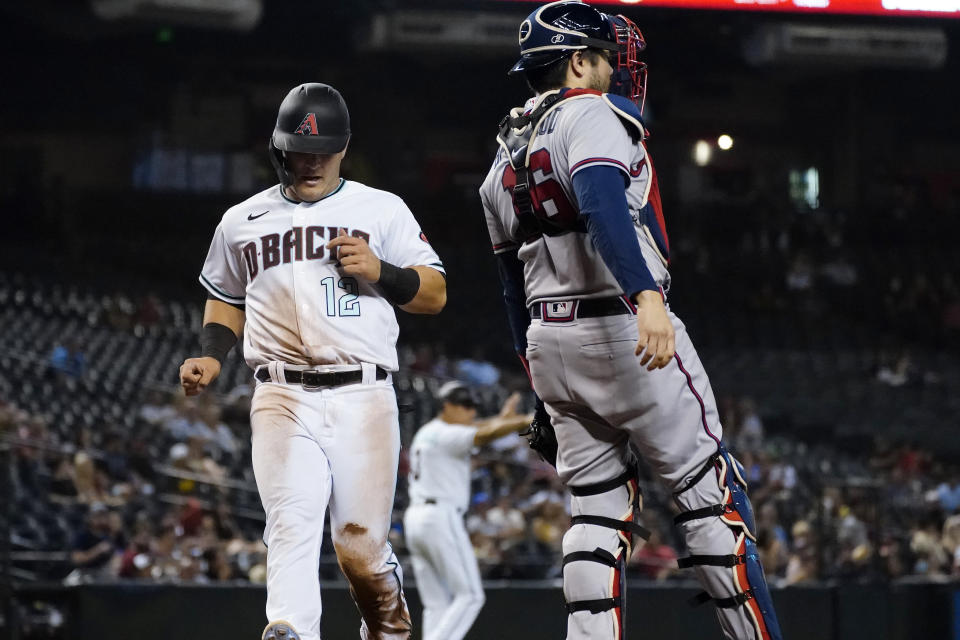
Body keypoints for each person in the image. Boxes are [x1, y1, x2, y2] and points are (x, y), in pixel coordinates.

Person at [477, 3, 783, 639]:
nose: (614, 73)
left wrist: (534, 377)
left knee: (595, 515)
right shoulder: (588, 112)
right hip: (619, 323)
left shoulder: (501, 156)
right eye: (605, 60)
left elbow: (510, 285)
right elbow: (600, 202)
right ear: (577, 62)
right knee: (708, 494)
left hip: (549, 340)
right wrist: (645, 296)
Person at [179, 82, 446, 640]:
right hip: (280, 393)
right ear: (280, 150)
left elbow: (436, 294)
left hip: (363, 394)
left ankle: (388, 624)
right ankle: (290, 629)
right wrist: (211, 356)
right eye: (301, 152)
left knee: (359, 545)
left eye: (323, 151)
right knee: (290, 520)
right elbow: (224, 298)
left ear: (343, 148)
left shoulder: (381, 209)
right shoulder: (242, 220)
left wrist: (381, 271)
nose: (312, 162)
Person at [403, 383, 531, 640]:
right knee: (471, 596)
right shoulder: (448, 434)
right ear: (446, 405)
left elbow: (477, 428)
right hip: (440, 516)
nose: (471, 411)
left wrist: (501, 420)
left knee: (437, 603)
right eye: (465, 405)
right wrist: (525, 420)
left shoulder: (429, 432)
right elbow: (482, 435)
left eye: (473, 406)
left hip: (417, 519)